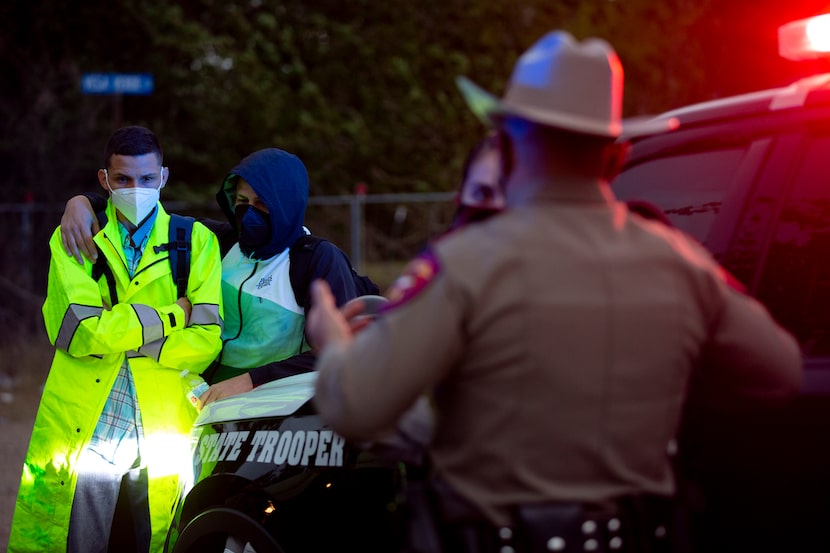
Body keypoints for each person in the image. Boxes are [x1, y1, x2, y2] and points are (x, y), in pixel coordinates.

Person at [306, 30, 803, 553]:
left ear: (509, 145)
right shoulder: (680, 261)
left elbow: (354, 408)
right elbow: (779, 371)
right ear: (618, 156)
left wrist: (334, 341)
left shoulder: (466, 262)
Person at [8, 126, 224, 553]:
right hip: (89, 422)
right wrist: (171, 314)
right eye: (123, 180)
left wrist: (125, 336)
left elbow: (207, 340)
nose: (135, 189)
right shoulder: (74, 239)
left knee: (161, 539)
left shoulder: (195, 242)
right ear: (104, 180)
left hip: (164, 424)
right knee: (79, 543)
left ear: (163, 177)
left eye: (146, 179)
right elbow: (80, 332)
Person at [59, 147, 367, 407]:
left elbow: (342, 351)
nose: (249, 214)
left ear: (286, 204)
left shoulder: (314, 259)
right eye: (242, 202)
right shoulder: (219, 241)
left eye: (262, 204)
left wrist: (250, 380)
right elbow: (149, 214)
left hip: (277, 409)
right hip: (206, 402)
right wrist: (83, 203)